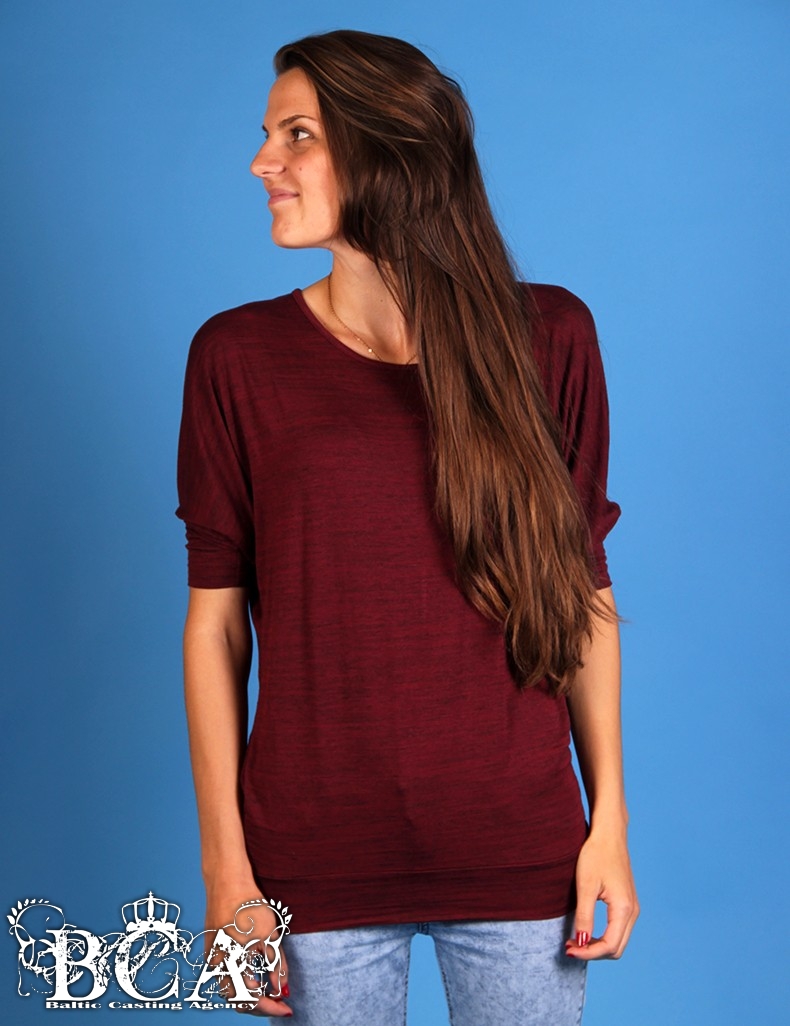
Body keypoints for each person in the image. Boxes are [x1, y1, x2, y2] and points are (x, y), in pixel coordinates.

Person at [176, 28, 638, 1025]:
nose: (262, 162)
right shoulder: (236, 357)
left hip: (520, 850)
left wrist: (609, 825)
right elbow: (215, 628)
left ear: (389, 150)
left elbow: (582, 590)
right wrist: (226, 871)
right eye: (269, 134)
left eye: (297, 135)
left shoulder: (550, 337)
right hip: (311, 863)